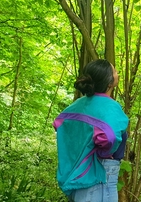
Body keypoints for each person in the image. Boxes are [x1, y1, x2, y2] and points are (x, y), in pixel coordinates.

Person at [53, 59, 129, 202]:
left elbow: (60, 123)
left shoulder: (78, 104)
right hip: (100, 174)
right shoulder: (110, 107)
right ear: (109, 82)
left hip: (78, 173)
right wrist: (103, 152)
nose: (117, 74)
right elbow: (109, 137)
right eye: (115, 71)